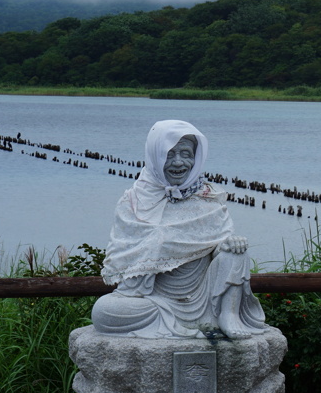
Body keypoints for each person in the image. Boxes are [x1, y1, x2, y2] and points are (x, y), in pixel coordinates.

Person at [91, 120, 266, 338]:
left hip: (205, 300)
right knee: (104, 312)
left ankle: (227, 315)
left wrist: (229, 244)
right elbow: (130, 278)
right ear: (155, 155)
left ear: (196, 157)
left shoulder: (209, 199)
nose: (178, 162)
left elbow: (219, 252)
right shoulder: (134, 201)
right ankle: (183, 328)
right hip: (155, 301)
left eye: (186, 153)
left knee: (237, 251)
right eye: (169, 154)